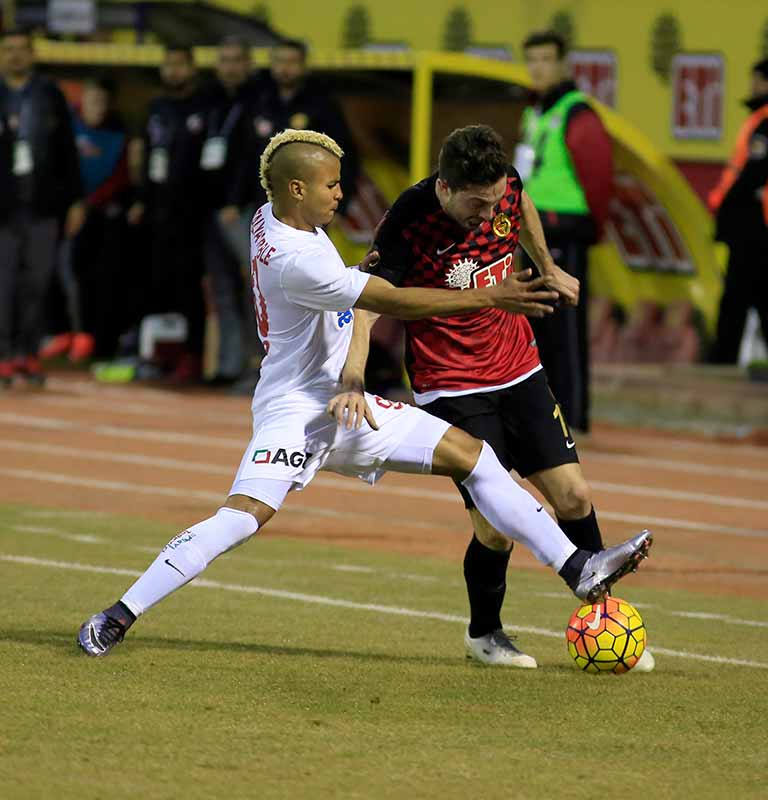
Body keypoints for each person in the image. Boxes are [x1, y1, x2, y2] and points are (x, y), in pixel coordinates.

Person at [77, 129, 652, 658]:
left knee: (475, 458)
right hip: (297, 409)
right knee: (243, 517)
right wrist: (489, 297)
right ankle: (117, 615)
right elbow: (389, 302)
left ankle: (577, 568)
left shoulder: (276, 216)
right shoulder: (297, 260)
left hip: (350, 407)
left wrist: (354, 372)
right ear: (297, 189)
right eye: (330, 184)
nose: (341, 194)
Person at [343, 124, 654, 671]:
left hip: (519, 367)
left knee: (575, 497)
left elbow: (522, 202)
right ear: (445, 187)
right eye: (475, 206)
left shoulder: (503, 185)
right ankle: (484, 634)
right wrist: (354, 372)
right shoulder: (409, 221)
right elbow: (370, 301)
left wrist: (550, 266)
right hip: (449, 383)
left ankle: (604, 620)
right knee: (495, 524)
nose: (488, 217)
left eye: (493, 204)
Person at [515, 30, 613, 433]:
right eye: (532, 59)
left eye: (545, 59)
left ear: (562, 65)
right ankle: (545, 414)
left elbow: (599, 175)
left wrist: (591, 226)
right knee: (536, 325)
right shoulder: (534, 112)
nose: (537, 67)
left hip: (565, 230)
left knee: (567, 331)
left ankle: (573, 415)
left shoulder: (577, 113)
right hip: (532, 231)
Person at [0, 28, 85, 388]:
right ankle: (3, 356)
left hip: (43, 206)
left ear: (33, 54)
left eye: (23, 49)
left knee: (37, 283)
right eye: (9, 50)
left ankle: (27, 354)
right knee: (2, 284)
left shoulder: (49, 95)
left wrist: (76, 200)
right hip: (2, 208)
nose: (17, 56)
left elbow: (68, 149)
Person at [708, 57, 768, 363]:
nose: (753, 87)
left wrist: (726, 206)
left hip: (758, 223)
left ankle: (722, 362)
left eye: (758, 80)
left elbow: (753, 174)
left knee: (737, 298)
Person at [127, 45, 207, 382]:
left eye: (180, 64)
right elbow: (143, 152)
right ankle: (158, 354)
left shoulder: (204, 107)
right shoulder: (156, 108)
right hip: (158, 209)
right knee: (158, 281)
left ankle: (193, 355)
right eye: (169, 65)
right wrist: (141, 197)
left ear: (191, 68)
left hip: (193, 210)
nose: (174, 71)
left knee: (190, 284)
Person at [41, 77, 131, 363]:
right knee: (55, 271)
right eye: (92, 100)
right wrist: (68, 204)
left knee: (87, 276)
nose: (97, 107)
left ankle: (86, 335)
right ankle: (61, 331)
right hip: (61, 211)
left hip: (99, 217)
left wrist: (88, 204)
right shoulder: (65, 127)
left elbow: (120, 177)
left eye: (102, 101)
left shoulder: (118, 133)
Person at [201, 37, 261, 385]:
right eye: (224, 60)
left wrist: (238, 201)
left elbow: (256, 158)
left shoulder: (258, 100)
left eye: (236, 59)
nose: (230, 67)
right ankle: (228, 364)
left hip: (245, 210)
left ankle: (258, 365)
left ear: (248, 63)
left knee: (257, 286)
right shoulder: (210, 101)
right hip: (211, 211)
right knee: (220, 287)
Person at [250, 39, 360, 211]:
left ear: (304, 66)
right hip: (264, 202)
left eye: (292, 62)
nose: (284, 68)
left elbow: (343, 155)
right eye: (279, 61)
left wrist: (340, 204)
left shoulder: (321, 105)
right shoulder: (260, 102)